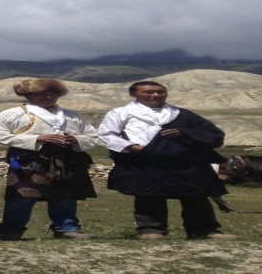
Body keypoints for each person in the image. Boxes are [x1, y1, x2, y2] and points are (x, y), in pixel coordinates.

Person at [98, 80, 239, 240]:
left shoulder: (182, 114)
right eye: (149, 92)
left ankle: (204, 230)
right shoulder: (120, 113)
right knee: (148, 194)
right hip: (145, 160)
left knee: (196, 195)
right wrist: (134, 147)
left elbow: (214, 134)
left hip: (184, 162)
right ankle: (151, 230)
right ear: (133, 94)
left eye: (160, 92)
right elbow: (107, 134)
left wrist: (184, 132)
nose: (155, 95)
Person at [0, 78, 101, 240]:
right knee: (21, 196)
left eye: (53, 94)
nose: (48, 97)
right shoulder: (12, 114)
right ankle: (11, 230)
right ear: (28, 95)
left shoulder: (72, 116)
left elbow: (93, 136)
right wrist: (38, 138)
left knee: (65, 196)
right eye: (42, 94)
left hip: (66, 160)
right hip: (28, 160)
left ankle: (67, 228)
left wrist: (75, 140)